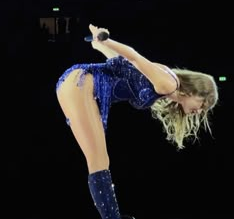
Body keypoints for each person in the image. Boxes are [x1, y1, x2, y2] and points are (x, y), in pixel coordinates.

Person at [56, 23, 219, 219]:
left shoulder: (166, 83)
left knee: (99, 159)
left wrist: (100, 44)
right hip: (81, 83)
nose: (199, 111)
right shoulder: (168, 83)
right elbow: (133, 56)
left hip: (75, 83)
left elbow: (120, 63)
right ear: (195, 90)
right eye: (203, 104)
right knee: (98, 160)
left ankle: (112, 216)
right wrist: (106, 40)